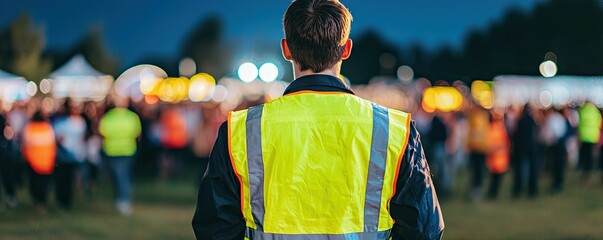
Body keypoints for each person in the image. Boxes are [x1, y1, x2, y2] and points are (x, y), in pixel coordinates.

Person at [192, 1, 444, 239]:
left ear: (287, 49)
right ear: (346, 49)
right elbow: (425, 229)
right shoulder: (394, 130)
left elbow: (214, 228)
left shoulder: (241, 130)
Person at [99, 98, 141, 216]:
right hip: (128, 150)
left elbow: (102, 132)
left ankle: (122, 200)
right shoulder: (132, 117)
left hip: (112, 150)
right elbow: (137, 134)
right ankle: (122, 200)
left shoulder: (108, 117)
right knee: (124, 175)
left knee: (118, 175)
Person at [53, 99, 87, 209]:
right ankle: (66, 200)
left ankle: (63, 200)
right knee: (69, 179)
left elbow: (57, 139)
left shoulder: (60, 123)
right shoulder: (79, 123)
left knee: (64, 179)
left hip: (66, 155)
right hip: (72, 155)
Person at [22, 111, 56, 212]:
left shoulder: (30, 128)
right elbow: (53, 144)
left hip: (33, 162)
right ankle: (42, 201)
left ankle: (36, 200)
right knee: (43, 184)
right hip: (47, 162)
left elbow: (25, 144)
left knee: (34, 183)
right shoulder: (48, 128)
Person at [577, 102, 602, 182]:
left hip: (584, 136)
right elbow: (599, 124)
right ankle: (590, 168)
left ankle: (585, 169)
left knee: (584, 155)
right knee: (591, 155)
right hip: (593, 136)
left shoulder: (583, 110)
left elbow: (579, 123)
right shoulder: (596, 112)